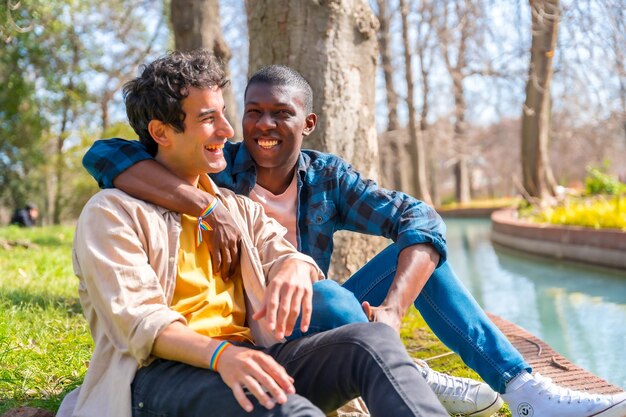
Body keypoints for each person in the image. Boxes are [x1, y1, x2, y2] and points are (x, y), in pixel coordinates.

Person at [83, 65, 626, 417]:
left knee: (413, 258)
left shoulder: (324, 179)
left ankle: (520, 387)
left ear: (309, 123)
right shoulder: (219, 175)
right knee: (332, 308)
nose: (252, 126)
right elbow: (106, 157)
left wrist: (378, 306)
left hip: (301, 311)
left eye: (280, 114)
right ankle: (395, 362)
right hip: (240, 337)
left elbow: (421, 218)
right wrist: (204, 204)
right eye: (250, 113)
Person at [60, 49, 449, 417]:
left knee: (373, 342)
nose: (228, 130)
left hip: (251, 355)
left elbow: (283, 252)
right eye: (208, 119)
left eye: (225, 114)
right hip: (160, 376)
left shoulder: (235, 207)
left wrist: (295, 267)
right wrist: (223, 357)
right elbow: (141, 324)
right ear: (161, 132)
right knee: (286, 408)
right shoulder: (112, 213)